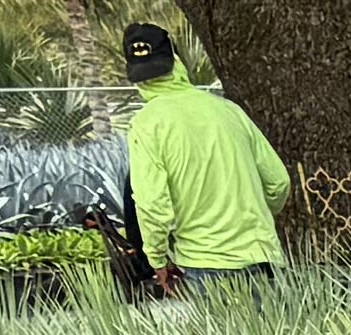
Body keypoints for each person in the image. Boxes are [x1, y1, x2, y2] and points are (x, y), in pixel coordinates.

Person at [119, 24, 290, 296]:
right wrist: (253, 218)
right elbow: (278, 182)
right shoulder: (229, 111)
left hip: (205, 265)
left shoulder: (147, 124)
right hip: (262, 256)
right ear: (176, 61)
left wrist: (158, 260)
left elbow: (152, 205)